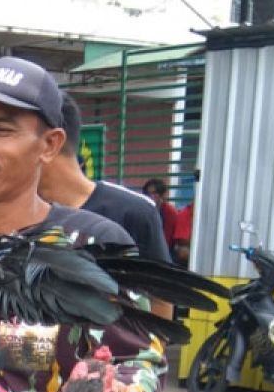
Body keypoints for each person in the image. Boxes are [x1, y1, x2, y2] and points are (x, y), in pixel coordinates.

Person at [0, 55, 167, 392]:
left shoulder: (93, 244)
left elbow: (138, 359)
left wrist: (122, 389)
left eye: (2, 129)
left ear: (50, 145)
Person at [39, 92, 175, 319]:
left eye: (9, 133)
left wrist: (147, 351)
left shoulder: (133, 212)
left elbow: (161, 297)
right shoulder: (13, 215)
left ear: (51, 143)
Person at [143, 177, 179, 252]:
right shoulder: (144, 210)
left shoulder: (170, 212)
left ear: (162, 195)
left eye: (154, 193)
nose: (150, 197)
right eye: (148, 194)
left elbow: (166, 240)